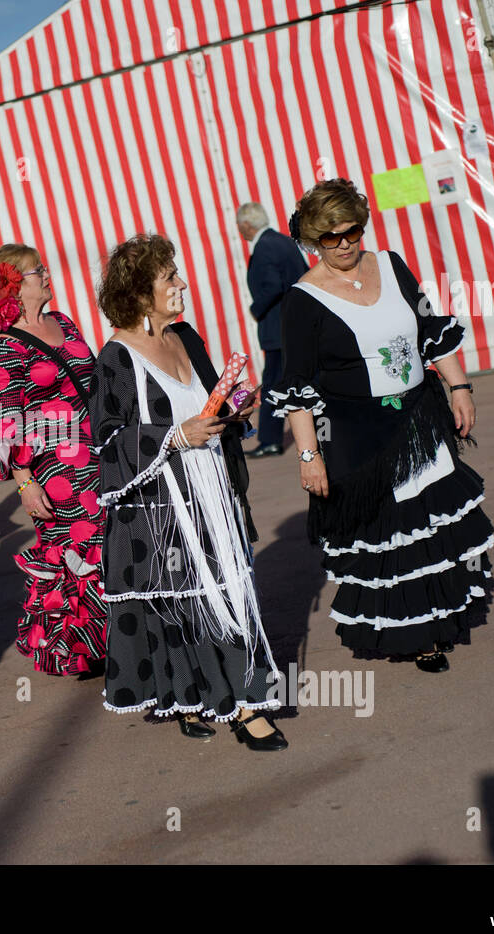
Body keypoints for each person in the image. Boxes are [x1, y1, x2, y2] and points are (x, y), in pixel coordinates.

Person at [271, 178, 494, 672]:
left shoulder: (391, 265)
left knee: (431, 524)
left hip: (419, 415)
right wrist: (309, 457)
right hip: (357, 432)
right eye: (332, 237)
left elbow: (428, 329)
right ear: (313, 238)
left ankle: (443, 614)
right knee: (390, 534)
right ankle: (415, 634)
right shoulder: (302, 300)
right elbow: (298, 387)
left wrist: (459, 387)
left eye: (353, 231)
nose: (346, 244)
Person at [93, 235, 286, 750]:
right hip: (159, 508)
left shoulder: (186, 337)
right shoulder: (116, 358)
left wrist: (236, 413)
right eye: (169, 278)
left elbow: (209, 410)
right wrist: (174, 436)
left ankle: (235, 697)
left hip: (212, 493)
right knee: (185, 608)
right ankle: (238, 706)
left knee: (226, 594)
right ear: (138, 293)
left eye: (177, 275)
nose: (182, 284)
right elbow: (106, 444)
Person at [0, 245, 108, 678]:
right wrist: (25, 482)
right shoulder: (3, 348)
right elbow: (6, 421)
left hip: (96, 449)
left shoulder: (63, 321)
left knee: (106, 542)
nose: (46, 276)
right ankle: (81, 644)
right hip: (54, 467)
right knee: (81, 548)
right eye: (37, 271)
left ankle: (103, 639)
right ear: (14, 285)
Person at [237, 202, 308, 459]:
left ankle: (270, 440)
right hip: (297, 324)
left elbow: (272, 286)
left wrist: (256, 309)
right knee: (305, 380)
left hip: (278, 328)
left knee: (273, 386)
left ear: (246, 225)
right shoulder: (284, 241)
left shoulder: (264, 247)